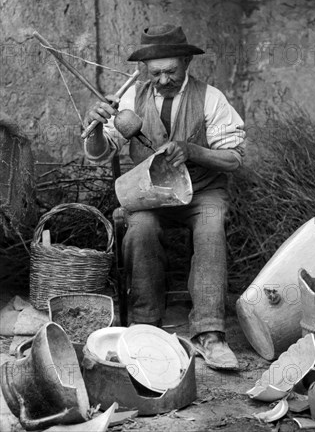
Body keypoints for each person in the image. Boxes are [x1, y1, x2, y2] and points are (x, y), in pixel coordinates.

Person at [84, 24, 246, 370]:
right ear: (146, 69)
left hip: (202, 192)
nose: (162, 80)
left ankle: (209, 334)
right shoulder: (130, 99)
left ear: (187, 62)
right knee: (140, 229)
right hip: (151, 195)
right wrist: (96, 126)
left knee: (211, 229)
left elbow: (233, 159)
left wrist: (191, 150)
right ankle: (145, 325)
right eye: (155, 73)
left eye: (170, 71)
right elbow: (99, 152)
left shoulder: (211, 98)